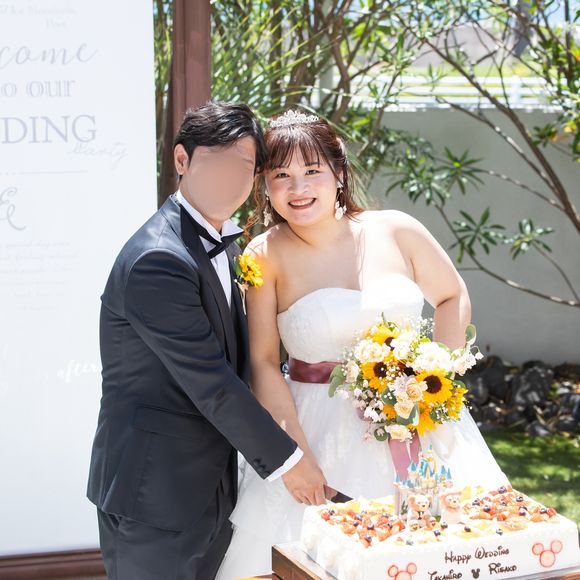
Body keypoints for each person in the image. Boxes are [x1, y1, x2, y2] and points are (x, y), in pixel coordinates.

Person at [216, 109, 507, 579]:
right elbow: (264, 362)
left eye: (312, 171)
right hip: (318, 433)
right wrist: (294, 457)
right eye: (281, 175)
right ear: (264, 185)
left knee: (446, 555)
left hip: (419, 424)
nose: (298, 188)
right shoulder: (264, 255)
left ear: (338, 171)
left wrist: (437, 378)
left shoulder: (396, 229)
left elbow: (451, 296)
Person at [86, 102, 327, 580]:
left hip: (211, 487)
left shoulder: (223, 245)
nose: (229, 178)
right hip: (154, 495)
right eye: (215, 162)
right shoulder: (158, 259)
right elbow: (212, 382)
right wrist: (289, 462)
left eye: (242, 166)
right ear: (182, 160)